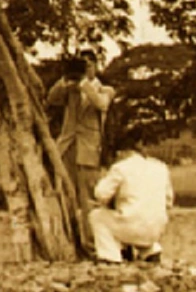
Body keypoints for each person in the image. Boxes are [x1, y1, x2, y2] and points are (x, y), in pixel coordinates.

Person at [46, 50, 115, 248]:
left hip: (88, 149)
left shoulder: (105, 90)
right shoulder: (71, 89)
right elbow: (51, 99)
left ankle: (92, 244)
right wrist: (66, 78)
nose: (84, 69)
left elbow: (101, 105)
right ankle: (68, 243)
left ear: (95, 66)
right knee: (64, 196)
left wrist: (84, 83)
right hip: (67, 146)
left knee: (89, 200)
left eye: (88, 65)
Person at [88, 130, 174, 264]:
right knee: (140, 215)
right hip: (156, 229)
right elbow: (169, 201)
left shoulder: (120, 168)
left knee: (97, 216)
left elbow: (100, 194)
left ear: (120, 152)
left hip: (132, 226)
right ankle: (151, 251)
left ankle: (110, 256)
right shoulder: (160, 167)